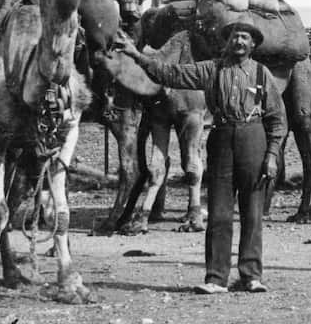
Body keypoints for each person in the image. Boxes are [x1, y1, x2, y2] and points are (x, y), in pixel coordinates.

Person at [120, 22, 287, 294]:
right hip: (221, 138)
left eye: (245, 38)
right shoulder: (211, 69)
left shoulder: (261, 74)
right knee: (220, 211)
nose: (239, 42)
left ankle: (251, 276)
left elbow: (277, 118)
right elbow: (170, 74)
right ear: (227, 41)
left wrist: (272, 155)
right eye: (235, 37)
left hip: (254, 138)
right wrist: (136, 56)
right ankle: (216, 278)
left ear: (253, 44)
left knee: (252, 212)